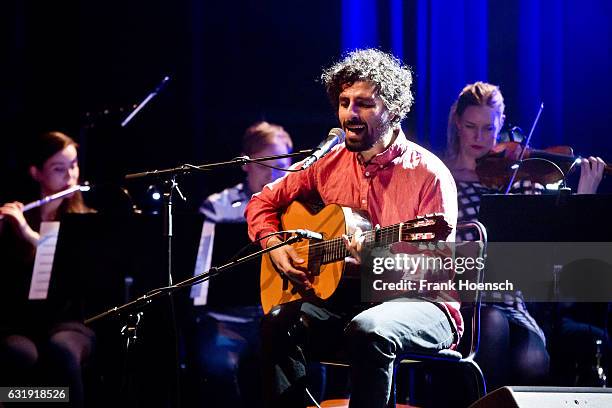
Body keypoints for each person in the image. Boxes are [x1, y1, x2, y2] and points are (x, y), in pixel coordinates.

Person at [245, 49, 459, 408]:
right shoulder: (327, 162)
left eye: (364, 104)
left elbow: (436, 268)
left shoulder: (429, 173)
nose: (350, 114)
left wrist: (380, 262)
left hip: (425, 305)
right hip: (347, 300)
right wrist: (273, 244)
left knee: (370, 330)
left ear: (392, 108)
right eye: (344, 102)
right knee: (277, 323)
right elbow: (262, 202)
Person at [444, 81, 604, 390]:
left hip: (511, 303)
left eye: (488, 129)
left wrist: (583, 199)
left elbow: (555, 257)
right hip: (463, 302)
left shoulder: (521, 179)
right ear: (457, 124)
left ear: (501, 124)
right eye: (470, 127)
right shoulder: (443, 179)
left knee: (532, 362)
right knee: (489, 326)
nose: (479, 138)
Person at [188, 122, 296, 407]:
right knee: (216, 367)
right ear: (246, 164)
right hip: (226, 322)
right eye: (265, 164)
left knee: (309, 367)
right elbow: (199, 278)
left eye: (282, 164)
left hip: (280, 319)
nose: (274, 174)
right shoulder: (217, 207)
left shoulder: (301, 208)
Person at [0, 131, 95, 407]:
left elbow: (74, 275)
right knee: (17, 354)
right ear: (36, 173)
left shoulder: (85, 222)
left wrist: (30, 236)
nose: (70, 176)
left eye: (74, 165)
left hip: (70, 322)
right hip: (21, 323)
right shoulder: (17, 218)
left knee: (62, 350)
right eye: (58, 168)